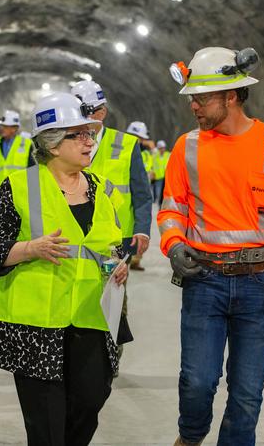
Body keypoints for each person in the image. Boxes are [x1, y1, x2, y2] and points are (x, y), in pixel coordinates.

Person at [158, 47, 264, 446]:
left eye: (201, 98)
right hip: (205, 280)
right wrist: (172, 243)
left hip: (258, 284)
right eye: (192, 99)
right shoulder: (187, 147)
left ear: (231, 96)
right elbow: (172, 207)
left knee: (247, 392)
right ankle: (191, 436)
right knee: (198, 381)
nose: (194, 107)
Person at [0, 92, 127, 446]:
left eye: (90, 133)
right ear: (54, 143)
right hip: (36, 326)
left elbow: (108, 245)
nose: (90, 141)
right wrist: (30, 248)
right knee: (45, 422)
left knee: (90, 401)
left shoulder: (102, 189)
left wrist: (118, 266)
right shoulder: (19, 186)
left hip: (92, 317)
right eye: (80, 135)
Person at [70, 80, 153, 365]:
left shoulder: (126, 146)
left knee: (113, 290)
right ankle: (82, 351)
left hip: (115, 240)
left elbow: (142, 194)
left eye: (87, 113)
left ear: (102, 112)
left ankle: (111, 355)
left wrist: (142, 230)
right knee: (78, 291)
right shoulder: (65, 143)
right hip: (75, 235)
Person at [126, 120, 153, 271]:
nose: (137, 140)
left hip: (142, 190)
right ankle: (134, 258)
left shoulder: (145, 154)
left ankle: (136, 258)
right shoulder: (123, 150)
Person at [0, 109, 36, 185]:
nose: (2, 128)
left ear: (14, 128)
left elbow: (32, 171)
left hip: (19, 189)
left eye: (5, 126)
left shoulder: (26, 144)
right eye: (2, 126)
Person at [151, 139, 170, 207]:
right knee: (158, 193)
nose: (162, 149)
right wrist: (152, 173)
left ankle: (163, 205)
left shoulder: (168, 155)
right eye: (161, 148)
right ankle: (159, 205)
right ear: (158, 148)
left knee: (165, 194)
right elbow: (152, 166)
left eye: (163, 148)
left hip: (166, 178)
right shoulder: (155, 156)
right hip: (158, 177)